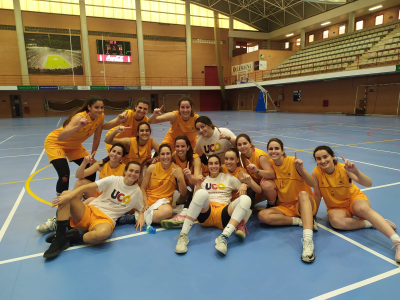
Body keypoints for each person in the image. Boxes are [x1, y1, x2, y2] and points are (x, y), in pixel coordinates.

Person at [312, 145, 399, 262]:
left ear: (332, 156)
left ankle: (397, 243)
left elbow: (368, 183)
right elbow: (317, 195)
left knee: (364, 209)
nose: (322, 161)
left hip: (353, 199)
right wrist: (313, 215)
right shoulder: (316, 172)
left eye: (325, 157)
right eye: (318, 158)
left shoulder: (344, 168)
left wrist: (356, 172)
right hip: (336, 206)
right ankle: (369, 223)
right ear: (316, 161)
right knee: (337, 223)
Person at [43, 161, 145, 259]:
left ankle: (70, 238)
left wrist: (141, 215)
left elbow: (141, 208)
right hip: (90, 210)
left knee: (103, 233)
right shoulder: (113, 180)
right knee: (65, 194)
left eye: (136, 172)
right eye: (131, 170)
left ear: (139, 175)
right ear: (125, 171)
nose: (133, 174)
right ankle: (59, 239)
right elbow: (86, 186)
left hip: (106, 220)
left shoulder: (137, 192)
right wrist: (69, 196)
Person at [36, 143, 127, 234]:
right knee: (80, 182)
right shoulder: (101, 164)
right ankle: (67, 213)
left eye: (118, 153)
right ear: (109, 151)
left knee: (88, 200)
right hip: (99, 193)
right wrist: (84, 163)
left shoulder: (124, 169)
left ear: (122, 157)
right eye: (113, 151)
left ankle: (62, 220)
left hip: (109, 199)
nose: (115, 154)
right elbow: (79, 175)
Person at [44, 95, 123, 196]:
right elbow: (61, 137)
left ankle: (86, 195)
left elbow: (97, 137)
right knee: (64, 175)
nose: (100, 110)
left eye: (102, 107)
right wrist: (78, 127)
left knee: (91, 168)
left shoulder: (100, 116)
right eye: (96, 107)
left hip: (74, 146)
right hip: (56, 143)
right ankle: (61, 199)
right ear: (89, 107)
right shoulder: (79, 117)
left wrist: (92, 155)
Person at [174, 154, 252, 255]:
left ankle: (224, 237)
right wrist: (198, 184)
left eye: (216, 163)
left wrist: (244, 185)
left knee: (246, 199)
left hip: (223, 214)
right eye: (211, 163)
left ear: (220, 166)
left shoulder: (228, 178)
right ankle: (183, 236)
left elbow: (244, 185)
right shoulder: (203, 179)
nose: (213, 166)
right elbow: (195, 200)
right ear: (207, 166)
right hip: (207, 213)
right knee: (202, 193)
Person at [258, 138, 318, 263]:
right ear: (267, 151)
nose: (273, 151)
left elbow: (313, 184)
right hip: (285, 207)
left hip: (304, 204)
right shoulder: (269, 165)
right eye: (271, 149)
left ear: (282, 151)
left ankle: (308, 242)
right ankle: (300, 221)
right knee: (262, 215)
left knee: (303, 194)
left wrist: (301, 169)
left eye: (276, 148)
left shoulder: (293, 161)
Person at [160, 135, 208, 229]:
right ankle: (184, 196)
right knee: (175, 175)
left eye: (183, 146)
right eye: (177, 146)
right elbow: (162, 160)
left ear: (188, 147)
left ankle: (184, 213)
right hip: (189, 182)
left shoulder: (195, 158)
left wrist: (190, 175)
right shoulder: (174, 156)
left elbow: (197, 180)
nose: (180, 149)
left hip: (203, 180)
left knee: (193, 186)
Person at [141, 144, 187, 224]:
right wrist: (145, 204)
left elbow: (183, 193)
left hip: (164, 202)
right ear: (159, 155)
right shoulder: (152, 167)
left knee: (168, 212)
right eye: (162, 154)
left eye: (168, 154)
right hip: (149, 199)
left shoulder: (177, 169)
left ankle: (137, 217)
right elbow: (142, 188)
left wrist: (179, 178)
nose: (165, 157)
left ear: (171, 154)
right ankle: (145, 215)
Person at [222, 148, 261, 238]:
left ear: (237, 160)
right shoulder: (222, 169)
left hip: (240, 204)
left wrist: (245, 184)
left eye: (232, 159)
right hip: (227, 205)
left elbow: (259, 190)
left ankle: (242, 222)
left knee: (250, 191)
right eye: (226, 159)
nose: (228, 161)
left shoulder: (241, 171)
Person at [236, 134, 276, 207]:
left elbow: (272, 174)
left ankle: (272, 203)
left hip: (268, 184)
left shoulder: (260, 156)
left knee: (266, 185)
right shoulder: (243, 155)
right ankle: (264, 196)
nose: (242, 146)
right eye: (239, 145)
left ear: (250, 143)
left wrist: (257, 171)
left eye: (245, 143)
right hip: (257, 185)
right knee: (247, 203)